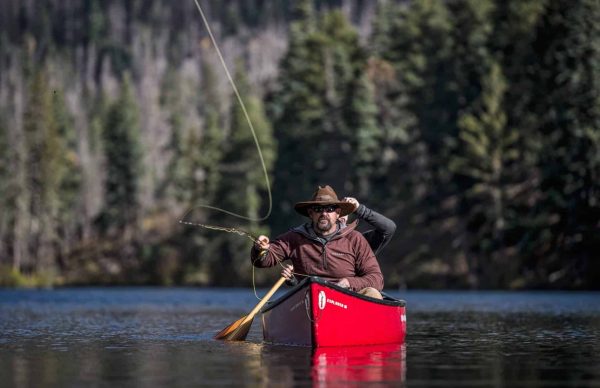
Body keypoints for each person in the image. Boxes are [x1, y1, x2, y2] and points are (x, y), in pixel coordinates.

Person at [251, 185, 384, 299]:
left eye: (330, 209)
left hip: (348, 299)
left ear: (338, 213)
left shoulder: (355, 238)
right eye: (318, 209)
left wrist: (348, 282)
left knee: (372, 292)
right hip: (307, 299)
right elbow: (262, 261)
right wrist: (260, 248)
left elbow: (377, 279)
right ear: (310, 213)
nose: (324, 213)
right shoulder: (294, 237)